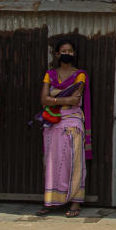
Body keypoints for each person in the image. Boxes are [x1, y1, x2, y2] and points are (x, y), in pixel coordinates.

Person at [36, 39, 91, 218]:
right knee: (52, 161)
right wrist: (61, 99)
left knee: (74, 161)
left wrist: (53, 97)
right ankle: (52, 200)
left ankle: (76, 201)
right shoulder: (50, 74)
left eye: (70, 50)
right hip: (53, 122)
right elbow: (43, 100)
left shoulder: (79, 75)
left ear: (74, 54)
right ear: (57, 54)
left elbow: (76, 99)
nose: (66, 53)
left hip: (72, 122)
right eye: (63, 50)